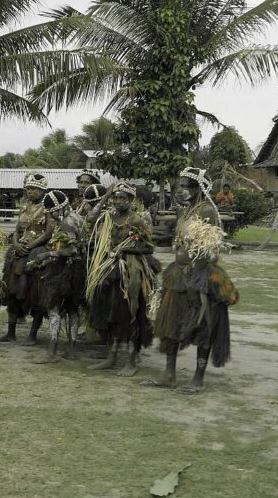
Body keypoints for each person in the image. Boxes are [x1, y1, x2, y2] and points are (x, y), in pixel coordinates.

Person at [149, 167, 239, 394]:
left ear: (198, 188)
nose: (180, 191)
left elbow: (211, 249)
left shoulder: (207, 210)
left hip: (199, 276)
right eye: (179, 186)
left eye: (185, 186)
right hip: (179, 274)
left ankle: (198, 379)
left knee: (203, 325)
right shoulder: (187, 210)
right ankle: (169, 375)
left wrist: (195, 273)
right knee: (170, 323)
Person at [85, 182, 157, 377]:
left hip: (130, 269)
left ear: (131, 200)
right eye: (115, 198)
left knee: (130, 312)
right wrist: (106, 194)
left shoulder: (137, 220)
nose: (118, 201)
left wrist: (124, 250)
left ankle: (132, 361)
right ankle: (111, 357)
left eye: (122, 198)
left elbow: (149, 248)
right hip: (108, 268)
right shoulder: (108, 217)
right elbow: (91, 218)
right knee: (109, 313)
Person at [29, 190, 86, 363]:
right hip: (78, 268)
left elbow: (72, 249)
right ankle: (71, 350)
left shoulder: (67, 223)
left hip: (67, 270)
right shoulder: (77, 218)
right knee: (72, 309)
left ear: (58, 208)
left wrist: (47, 255)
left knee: (54, 308)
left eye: (51, 211)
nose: (51, 215)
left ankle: (52, 352)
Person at [0, 173, 51, 343]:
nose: (30, 191)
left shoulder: (48, 208)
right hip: (20, 250)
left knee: (36, 292)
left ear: (42, 190)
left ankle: (32, 335)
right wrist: (16, 244)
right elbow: (18, 229)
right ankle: (10, 333)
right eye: (28, 188)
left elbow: (49, 232)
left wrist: (31, 247)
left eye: (33, 189)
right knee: (12, 288)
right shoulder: (24, 207)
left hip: (38, 251)